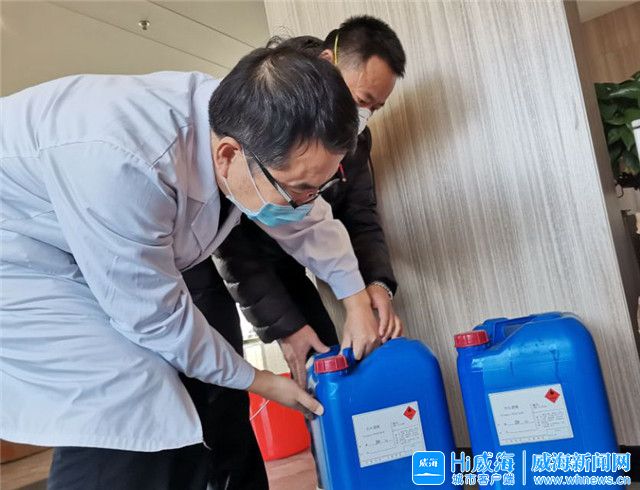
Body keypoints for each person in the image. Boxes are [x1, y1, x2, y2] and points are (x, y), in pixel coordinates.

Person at [0, 46, 379, 489]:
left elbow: (306, 218)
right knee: (122, 402)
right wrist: (263, 382)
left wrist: (356, 301)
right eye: (299, 188)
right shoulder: (127, 164)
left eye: (318, 186)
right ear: (227, 156)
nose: (307, 201)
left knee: (172, 406)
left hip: (65, 239)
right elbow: (156, 318)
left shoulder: (245, 125)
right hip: (17, 261)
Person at [215, 15, 407, 387]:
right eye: (361, 101)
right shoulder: (268, 111)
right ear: (327, 64)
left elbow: (357, 214)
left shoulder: (356, 139)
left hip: (303, 258)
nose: (362, 116)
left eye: (375, 108)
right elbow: (232, 243)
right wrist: (284, 326)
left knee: (334, 361)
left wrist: (375, 285)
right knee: (302, 364)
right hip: (256, 264)